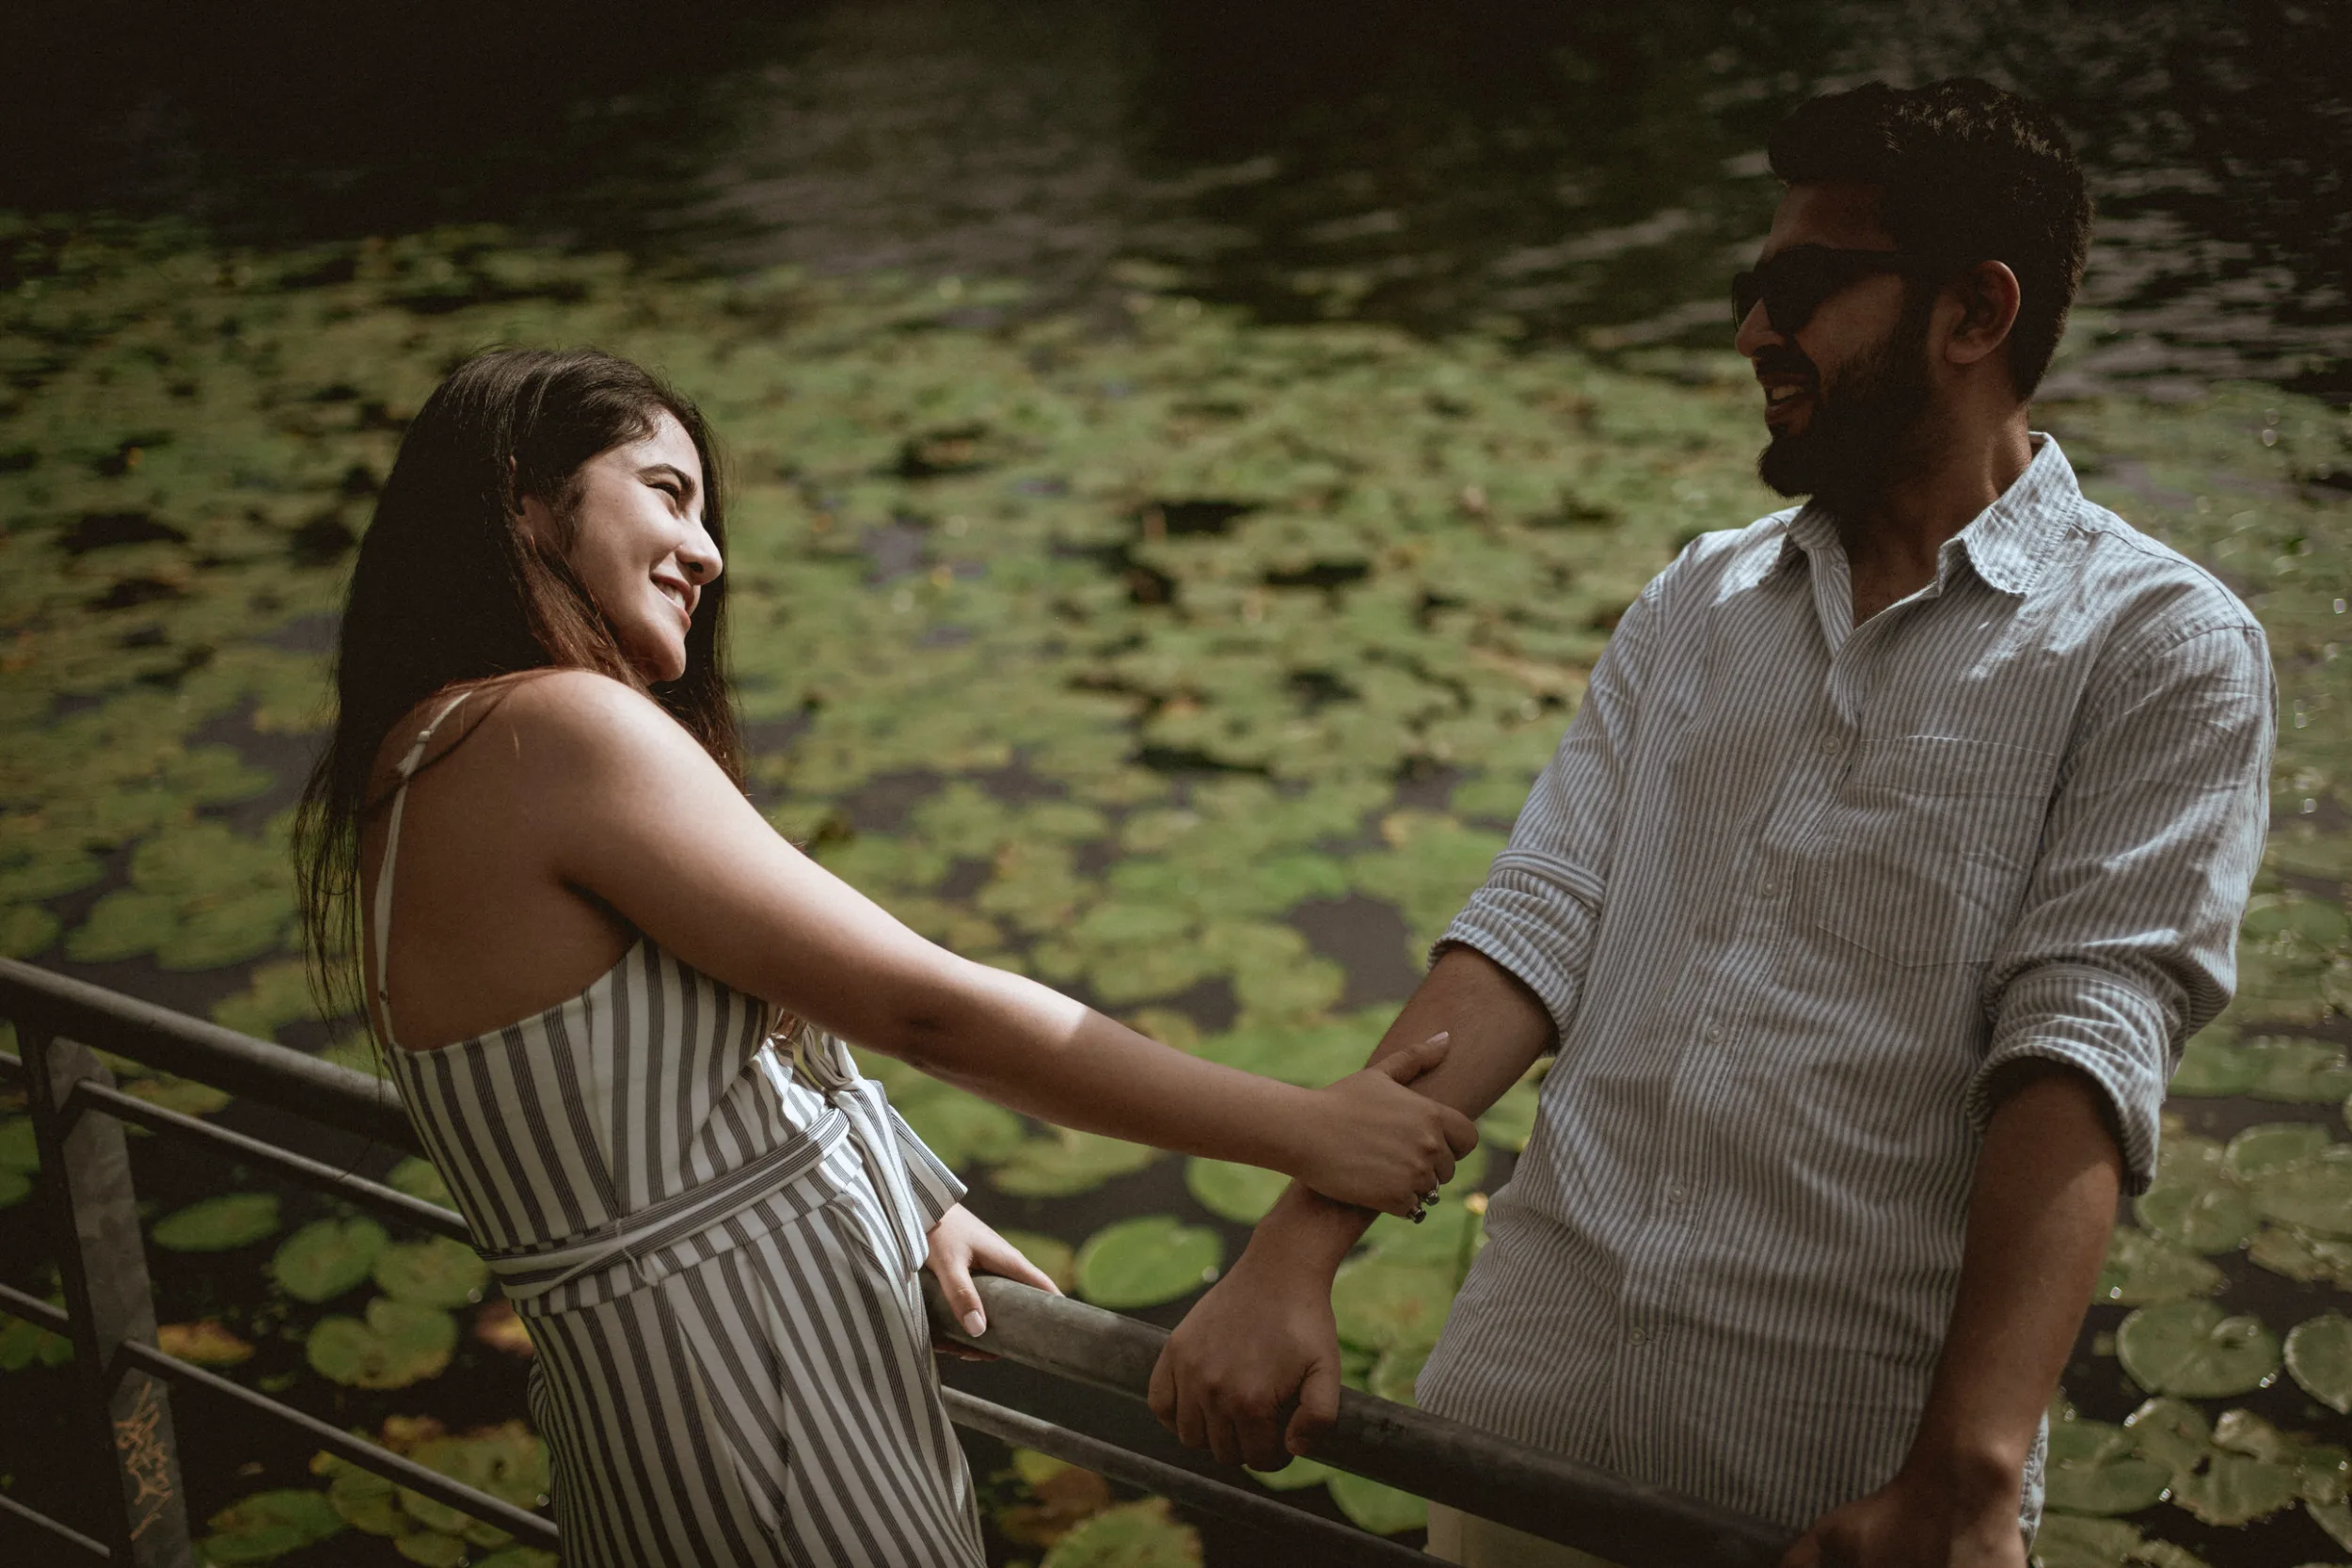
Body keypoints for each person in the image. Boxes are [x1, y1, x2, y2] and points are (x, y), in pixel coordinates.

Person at [1149, 78, 2273, 1567]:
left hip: (1826, 1504)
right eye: (1752, 289)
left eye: (1802, 289)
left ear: (1974, 312)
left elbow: (2080, 1048)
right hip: (1517, 1429)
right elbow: (1530, 926)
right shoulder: (1702, 595)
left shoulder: (2157, 645)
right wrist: (1295, 1252)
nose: (1754, 333)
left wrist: (1966, 1477)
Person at [293, 347, 1479, 1568]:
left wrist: (908, 1196)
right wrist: (1306, 1126)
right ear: (525, 493)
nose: (709, 554)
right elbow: (927, 1011)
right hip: (768, 1415)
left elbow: (651, 1101)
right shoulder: (556, 724)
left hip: (657, 1425)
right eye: (666, 491)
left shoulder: (417, 763)